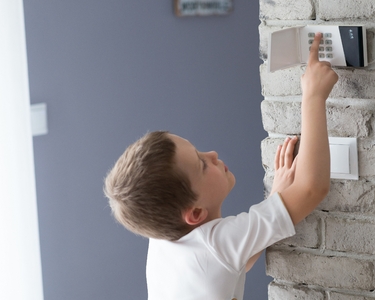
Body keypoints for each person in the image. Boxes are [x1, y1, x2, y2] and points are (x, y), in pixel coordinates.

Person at [103, 32, 338, 300]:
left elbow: (236, 261)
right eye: (202, 164)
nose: (212, 154)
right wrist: (313, 96)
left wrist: (277, 199)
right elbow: (312, 188)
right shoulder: (216, 245)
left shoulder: (163, 240)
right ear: (194, 213)